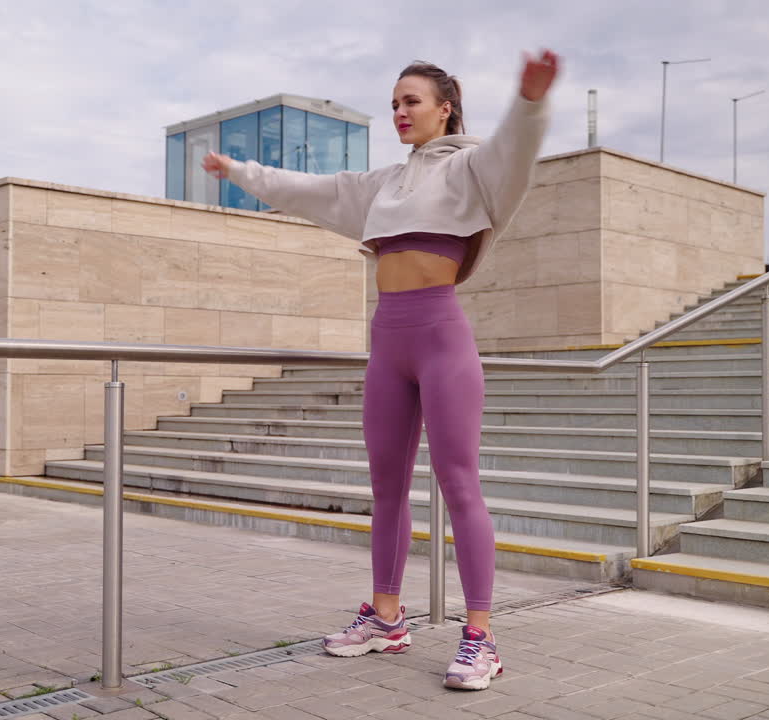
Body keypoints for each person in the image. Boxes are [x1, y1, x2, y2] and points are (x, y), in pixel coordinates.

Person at [203, 50, 559, 691]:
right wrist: (238, 170)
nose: (398, 112)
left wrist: (531, 99)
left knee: (459, 483)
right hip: (387, 341)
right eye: (393, 102)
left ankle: (480, 637)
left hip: (442, 339)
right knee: (387, 486)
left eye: (411, 101)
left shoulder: (474, 169)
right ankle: (387, 619)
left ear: (444, 108)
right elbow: (308, 192)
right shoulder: (380, 186)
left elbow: (517, 145)